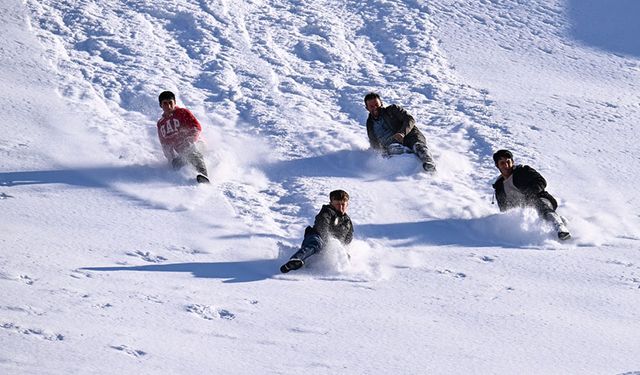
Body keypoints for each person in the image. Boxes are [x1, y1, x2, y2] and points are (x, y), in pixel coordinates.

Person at [491, 149, 571, 240]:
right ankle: (563, 222)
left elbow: (541, 181)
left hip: (540, 199)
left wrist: (530, 193)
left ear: (512, 162)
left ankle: (561, 228)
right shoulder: (499, 186)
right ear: (497, 166)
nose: (506, 165)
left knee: (540, 205)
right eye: (502, 163)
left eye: (508, 161)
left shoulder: (523, 171)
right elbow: (504, 208)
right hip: (525, 210)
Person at [280, 190, 354, 273]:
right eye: (337, 204)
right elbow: (322, 227)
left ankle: (338, 272)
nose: (340, 207)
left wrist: (339, 245)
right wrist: (329, 242)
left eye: (343, 204)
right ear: (331, 203)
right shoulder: (326, 212)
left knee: (346, 256)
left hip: (330, 248)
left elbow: (349, 237)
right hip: (316, 236)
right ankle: (296, 260)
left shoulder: (347, 221)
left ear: (347, 204)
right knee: (316, 243)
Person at [364, 92, 436, 172]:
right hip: (392, 146)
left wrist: (402, 133)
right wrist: (380, 152)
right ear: (367, 108)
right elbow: (374, 142)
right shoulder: (369, 124)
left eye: (377, 104)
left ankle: (429, 164)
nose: (375, 108)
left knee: (418, 146)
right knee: (396, 149)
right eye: (371, 106)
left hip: (410, 136)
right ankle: (410, 166)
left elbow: (409, 119)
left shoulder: (392, 110)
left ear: (381, 103)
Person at [156, 91, 210, 183]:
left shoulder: (182, 112)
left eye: (170, 103)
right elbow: (164, 144)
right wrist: (171, 159)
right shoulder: (161, 123)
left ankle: (204, 177)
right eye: (165, 103)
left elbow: (196, 127)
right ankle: (184, 184)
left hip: (197, 144)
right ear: (161, 105)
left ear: (175, 102)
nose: (168, 106)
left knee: (192, 152)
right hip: (182, 152)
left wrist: (191, 140)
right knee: (176, 164)